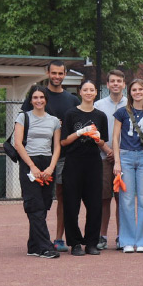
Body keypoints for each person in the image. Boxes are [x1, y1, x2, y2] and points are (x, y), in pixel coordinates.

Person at [20, 60, 79, 252]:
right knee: (37, 202)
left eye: (60, 73)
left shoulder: (72, 100)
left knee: (60, 198)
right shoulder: (35, 97)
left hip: (61, 157)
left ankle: (57, 238)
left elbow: (75, 127)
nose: (57, 76)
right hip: (36, 159)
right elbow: (23, 129)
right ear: (48, 73)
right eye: (54, 73)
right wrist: (31, 164)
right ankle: (40, 242)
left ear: (65, 74)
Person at [60, 80, 111, 256]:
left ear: (96, 92)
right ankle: (74, 243)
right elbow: (63, 141)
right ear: (80, 92)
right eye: (85, 90)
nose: (88, 92)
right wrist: (80, 132)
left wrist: (97, 138)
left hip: (93, 163)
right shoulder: (71, 114)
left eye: (91, 90)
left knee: (95, 204)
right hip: (73, 162)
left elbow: (103, 141)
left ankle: (91, 243)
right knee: (71, 204)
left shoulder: (101, 116)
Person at [111, 79, 143, 254]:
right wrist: (117, 161)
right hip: (125, 157)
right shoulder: (122, 112)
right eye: (134, 90)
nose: (137, 92)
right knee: (126, 200)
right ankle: (126, 240)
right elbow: (115, 138)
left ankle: (142, 241)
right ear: (130, 92)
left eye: (140, 89)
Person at [14, 86, 62, 259]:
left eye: (42, 97)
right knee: (35, 205)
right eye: (35, 97)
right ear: (31, 100)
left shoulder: (54, 121)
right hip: (29, 162)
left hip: (47, 163)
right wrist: (32, 166)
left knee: (44, 203)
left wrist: (50, 168)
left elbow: (57, 146)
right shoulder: (23, 117)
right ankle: (45, 247)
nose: (39, 100)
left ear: (46, 100)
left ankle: (33, 246)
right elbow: (18, 144)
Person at [94, 69, 127, 250]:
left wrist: (119, 152)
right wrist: (107, 149)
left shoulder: (130, 104)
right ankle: (103, 236)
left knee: (122, 200)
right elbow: (94, 131)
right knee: (104, 199)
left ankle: (122, 236)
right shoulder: (98, 105)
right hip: (103, 157)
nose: (116, 84)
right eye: (112, 81)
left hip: (125, 158)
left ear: (124, 84)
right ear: (107, 84)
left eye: (119, 81)